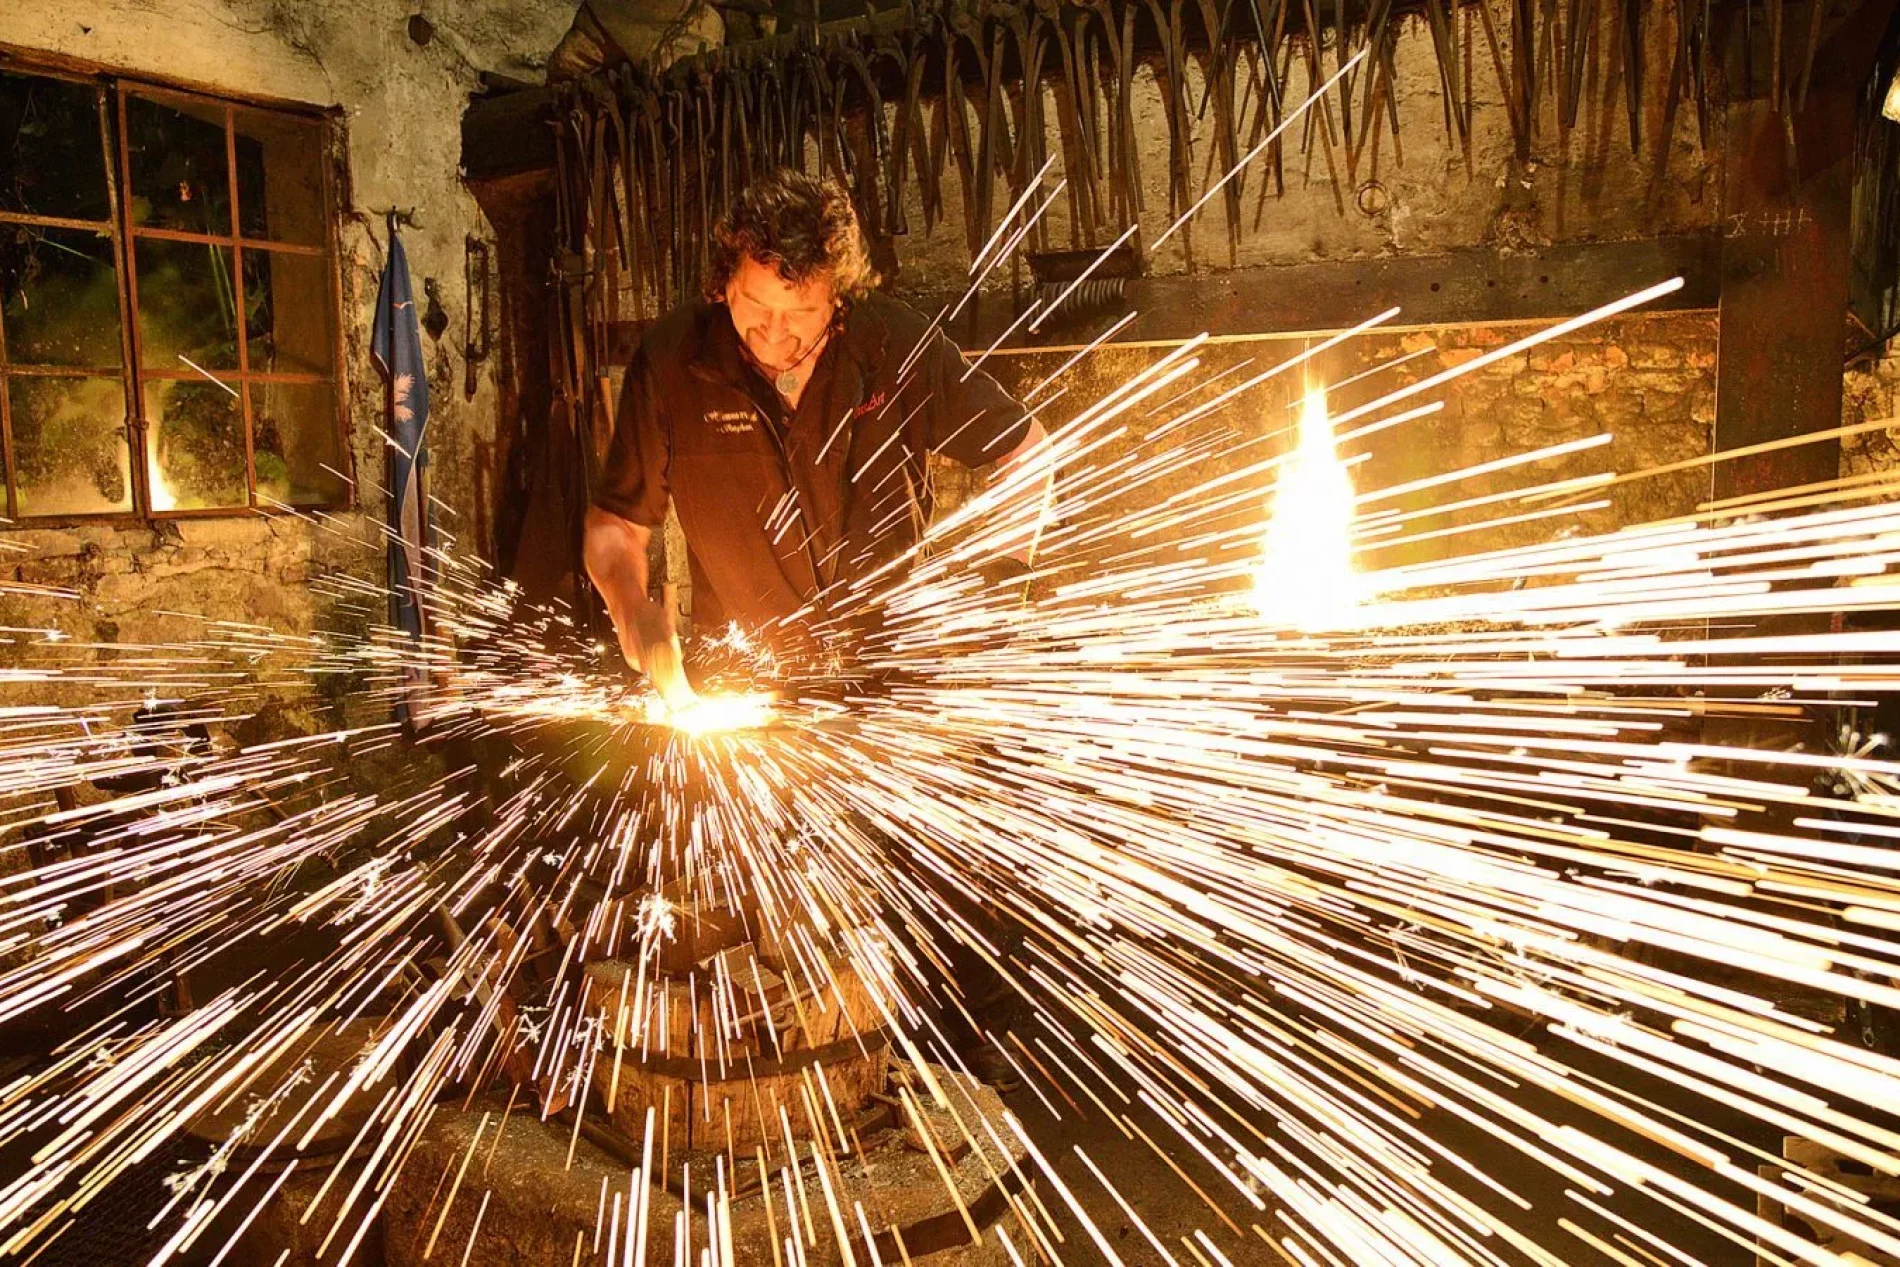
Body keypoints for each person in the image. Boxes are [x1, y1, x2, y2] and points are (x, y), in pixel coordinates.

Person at [584, 167, 1047, 1084]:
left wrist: (988, 594)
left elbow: (1028, 456)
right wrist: (639, 618)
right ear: (725, 281)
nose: (777, 336)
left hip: (892, 679)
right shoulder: (674, 360)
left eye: (803, 313)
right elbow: (614, 529)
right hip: (741, 688)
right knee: (757, 908)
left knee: (945, 893)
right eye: (756, 309)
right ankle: (804, 1082)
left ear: (842, 291)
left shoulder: (891, 344)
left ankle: (979, 1078)